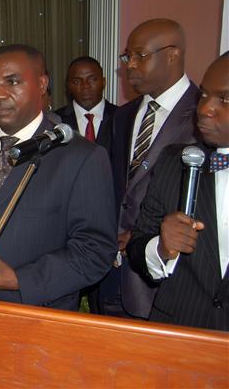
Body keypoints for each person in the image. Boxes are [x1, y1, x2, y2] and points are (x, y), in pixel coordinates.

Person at [0, 44, 116, 311]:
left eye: (12, 82)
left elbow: (95, 251)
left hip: (38, 316)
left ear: (42, 84)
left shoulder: (81, 157)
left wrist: (20, 280)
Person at [105, 18, 200, 319]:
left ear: (172, 55)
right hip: (111, 277)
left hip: (166, 287)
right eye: (127, 57)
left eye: (140, 55)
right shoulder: (123, 116)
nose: (130, 65)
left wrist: (146, 239)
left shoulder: (205, 116)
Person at [127, 52, 229, 330]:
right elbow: (137, 246)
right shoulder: (176, 162)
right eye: (204, 94)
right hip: (179, 332)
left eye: (224, 99)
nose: (204, 109)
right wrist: (161, 247)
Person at [55, 56, 118, 154]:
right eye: (76, 81)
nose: (85, 86)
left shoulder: (121, 117)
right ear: (69, 86)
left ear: (104, 82)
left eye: (93, 79)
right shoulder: (56, 120)